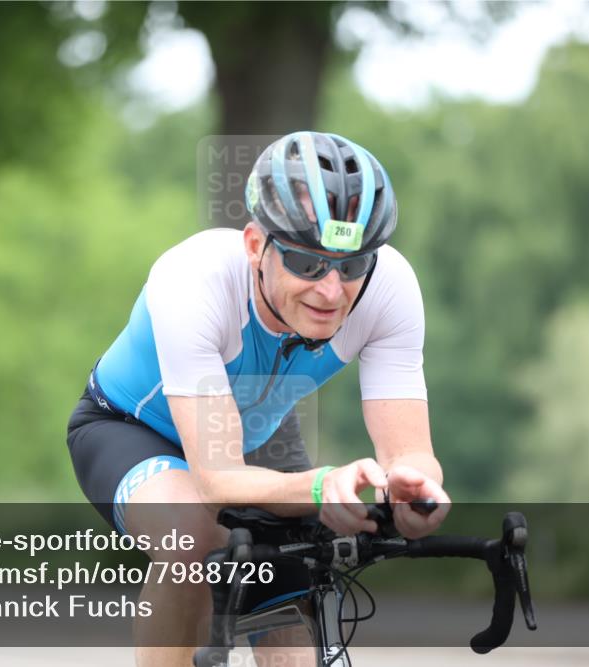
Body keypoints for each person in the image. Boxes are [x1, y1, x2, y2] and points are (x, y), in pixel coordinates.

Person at [67, 131, 451, 666]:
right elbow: (217, 478)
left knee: (294, 613)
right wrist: (321, 486)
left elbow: (410, 452)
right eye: (307, 262)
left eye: (351, 265)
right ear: (255, 246)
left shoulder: (389, 287)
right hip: (132, 429)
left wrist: (412, 492)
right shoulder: (195, 279)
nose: (331, 290)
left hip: (256, 438)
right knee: (191, 538)